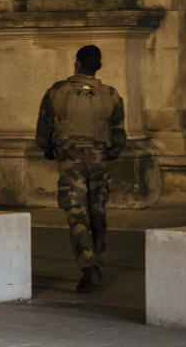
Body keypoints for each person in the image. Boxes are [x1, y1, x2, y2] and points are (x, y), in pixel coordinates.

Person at [36, 45, 126, 293]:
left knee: (77, 213)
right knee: (97, 210)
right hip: (99, 160)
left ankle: (88, 266)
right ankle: (96, 256)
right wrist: (109, 154)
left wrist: (48, 150)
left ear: (76, 63)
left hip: (71, 160)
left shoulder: (57, 92)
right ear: (98, 65)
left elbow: (43, 129)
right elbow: (119, 135)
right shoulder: (111, 94)